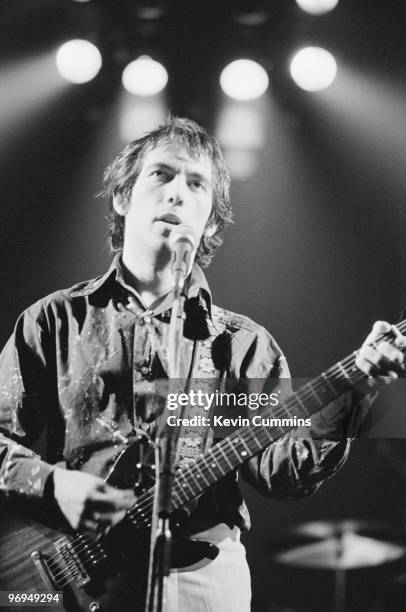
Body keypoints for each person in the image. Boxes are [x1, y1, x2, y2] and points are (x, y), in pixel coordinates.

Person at [0, 117, 404, 612]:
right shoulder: (55, 320)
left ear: (210, 219)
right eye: (161, 175)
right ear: (123, 198)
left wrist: (358, 389)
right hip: (58, 572)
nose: (177, 194)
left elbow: (285, 473)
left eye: (196, 184)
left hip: (202, 577)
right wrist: (54, 483)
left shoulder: (242, 345)